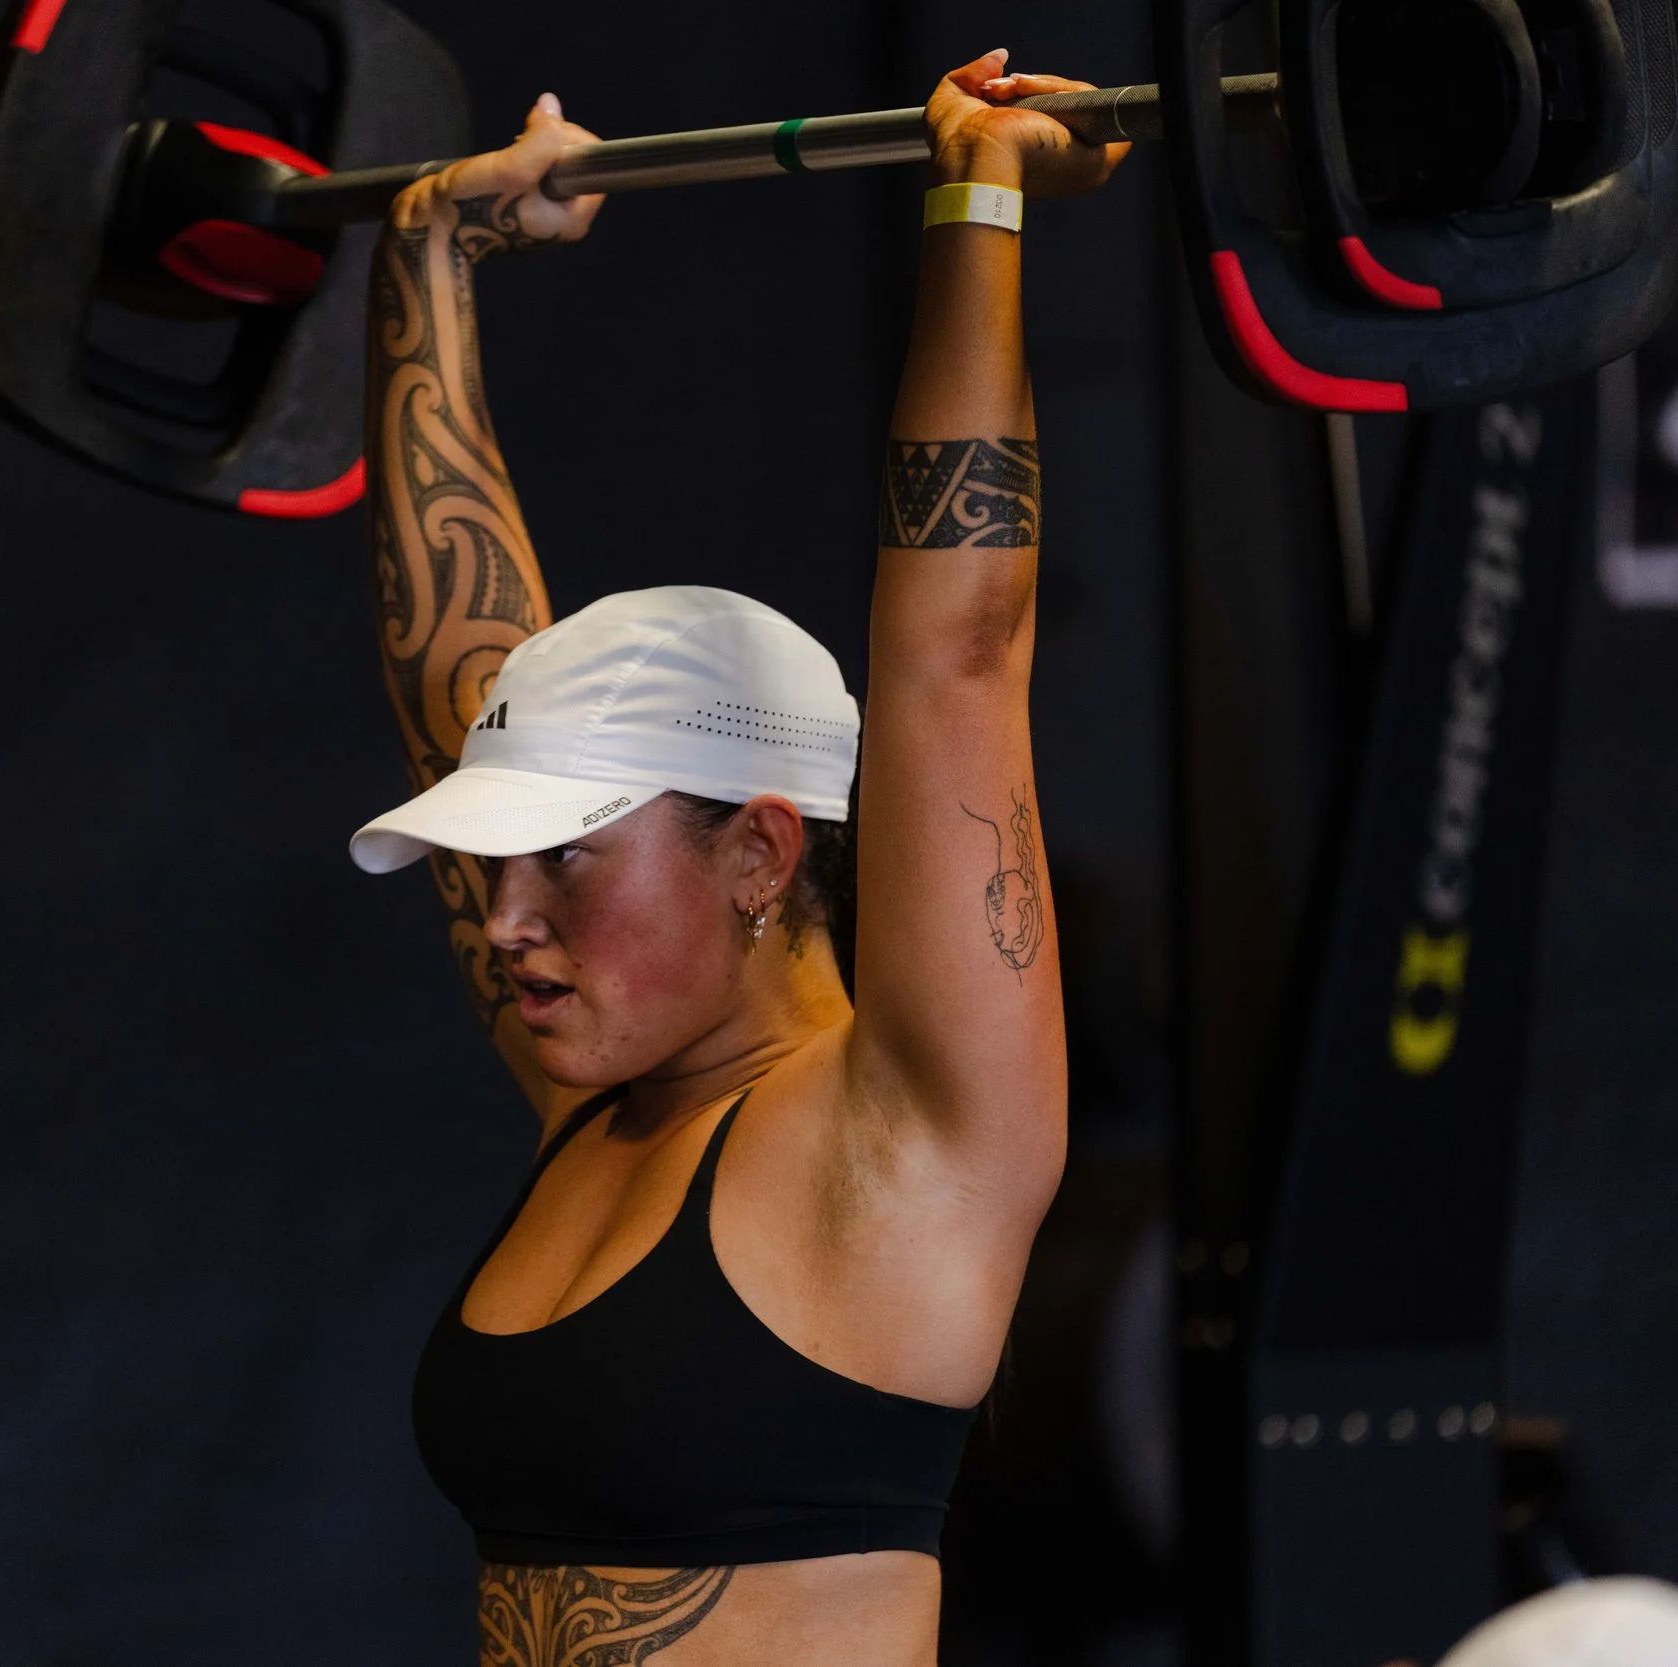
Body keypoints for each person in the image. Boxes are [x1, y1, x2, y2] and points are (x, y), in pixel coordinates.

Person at [351, 49, 1128, 1667]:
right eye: (502, 863)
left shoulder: (910, 1133)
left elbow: (958, 653)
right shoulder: (596, 1095)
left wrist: (977, 200)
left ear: (760, 849)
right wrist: (431, 257)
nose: (505, 921)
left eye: (564, 859)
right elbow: (454, 676)